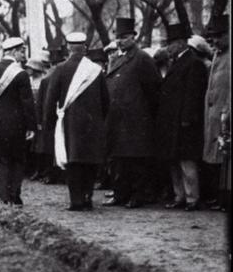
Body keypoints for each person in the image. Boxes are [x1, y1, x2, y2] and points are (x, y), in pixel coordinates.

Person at [44, 33, 109, 211]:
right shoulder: (95, 70)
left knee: (73, 161)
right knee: (90, 160)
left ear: (69, 48)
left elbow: (50, 99)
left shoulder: (60, 69)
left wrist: (49, 123)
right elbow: (106, 100)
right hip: (93, 123)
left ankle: (76, 200)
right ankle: (88, 197)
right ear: (85, 48)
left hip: (70, 124)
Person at [103, 18, 161, 209]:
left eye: (124, 37)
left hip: (136, 119)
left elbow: (153, 90)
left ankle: (138, 195)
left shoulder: (142, 58)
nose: (120, 41)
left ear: (133, 37)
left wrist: (144, 114)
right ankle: (121, 194)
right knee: (120, 160)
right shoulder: (118, 59)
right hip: (118, 120)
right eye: (117, 38)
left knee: (136, 160)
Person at [157, 23, 209, 211]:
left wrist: (187, 118)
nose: (167, 48)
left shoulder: (193, 63)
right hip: (173, 121)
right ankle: (180, 196)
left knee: (187, 161)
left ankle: (192, 197)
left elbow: (193, 95)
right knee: (175, 160)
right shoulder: (179, 62)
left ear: (180, 43)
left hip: (184, 122)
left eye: (170, 44)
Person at [0, 37, 36, 206]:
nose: (23, 55)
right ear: (13, 52)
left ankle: (4, 197)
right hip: (17, 125)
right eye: (21, 51)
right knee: (17, 160)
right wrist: (31, 126)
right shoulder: (21, 74)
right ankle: (15, 196)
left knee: (2, 161)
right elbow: (27, 103)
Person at [203, 14, 230, 211]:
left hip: (226, 114)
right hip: (215, 115)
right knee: (219, 159)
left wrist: (227, 110)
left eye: (220, 36)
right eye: (213, 37)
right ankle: (220, 197)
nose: (215, 40)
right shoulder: (217, 55)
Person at [25, 57, 49, 180]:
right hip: (30, 114)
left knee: (40, 144)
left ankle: (40, 170)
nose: (28, 70)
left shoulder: (43, 81)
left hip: (39, 115)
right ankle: (32, 169)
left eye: (30, 68)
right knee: (31, 144)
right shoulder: (29, 81)